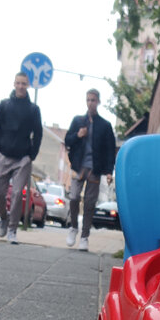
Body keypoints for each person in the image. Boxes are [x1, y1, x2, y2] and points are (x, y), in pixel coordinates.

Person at [0, 71, 43, 244]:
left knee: (16, 193)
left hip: (22, 159)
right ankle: (3, 218)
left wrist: (31, 156)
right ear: (14, 84)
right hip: (3, 155)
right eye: (18, 83)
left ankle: (12, 229)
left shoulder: (33, 110)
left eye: (24, 84)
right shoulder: (4, 105)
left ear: (28, 86)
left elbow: (38, 134)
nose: (21, 86)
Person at [63, 88, 116, 251]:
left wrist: (109, 171)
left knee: (89, 203)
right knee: (73, 198)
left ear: (98, 102)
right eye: (88, 100)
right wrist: (78, 135)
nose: (90, 103)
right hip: (78, 166)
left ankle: (84, 236)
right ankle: (73, 227)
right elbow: (68, 140)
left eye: (93, 100)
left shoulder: (105, 125)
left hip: (95, 169)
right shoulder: (78, 121)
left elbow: (110, 150)